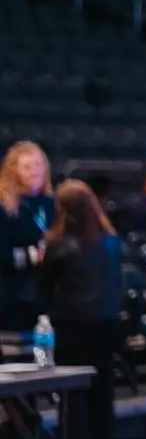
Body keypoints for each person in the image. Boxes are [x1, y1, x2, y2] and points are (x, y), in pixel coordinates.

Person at [37, 179, 124, 439]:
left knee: (74, 394)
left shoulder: (59, 246)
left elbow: (43, 288)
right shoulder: (111, 242)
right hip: (107, 324)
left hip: (73, 325)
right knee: (103, 391)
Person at [0, 141, 56, 333]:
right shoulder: (5, 206)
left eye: (39, 165)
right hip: (14, 286)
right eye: (27, 167)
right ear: (13, 171)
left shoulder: (50, 203)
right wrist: (34, 255)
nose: (35, 171)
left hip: (47, 282)